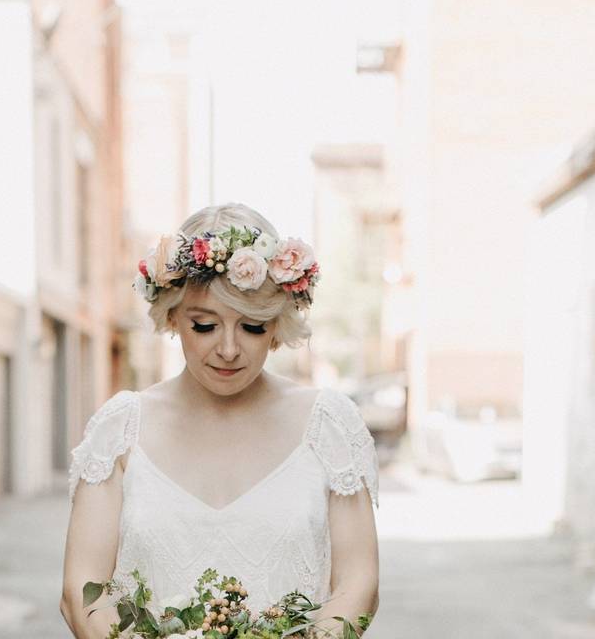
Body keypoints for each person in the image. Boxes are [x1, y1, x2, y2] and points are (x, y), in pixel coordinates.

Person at [60, 203, 379, 638]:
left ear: (277, 324)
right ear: (173, 315)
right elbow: (81, 591)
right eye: (205, 325)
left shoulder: (328, 424)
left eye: (251, 327)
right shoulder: (120, 429)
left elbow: (359, 583)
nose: (228, 349)